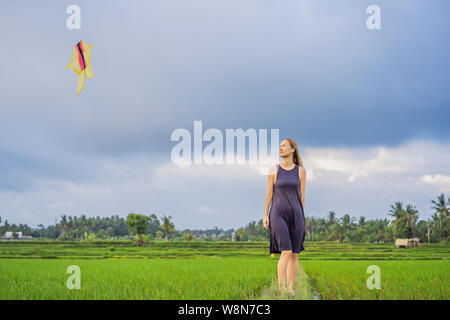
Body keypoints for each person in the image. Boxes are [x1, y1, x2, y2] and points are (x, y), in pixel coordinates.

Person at [263, 138, 307, 296]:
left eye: (284, 146)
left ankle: (290, 288)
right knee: (286, 251)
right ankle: (282, 289)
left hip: (296, 215)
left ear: (293, 149)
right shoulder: (273, 170)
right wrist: (265, 215)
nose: (280, 149)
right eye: (279, 146)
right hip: (277, 214)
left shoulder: (301, 171)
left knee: (294, 253)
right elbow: (269, 194)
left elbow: (302, 196)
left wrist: (301, 216)